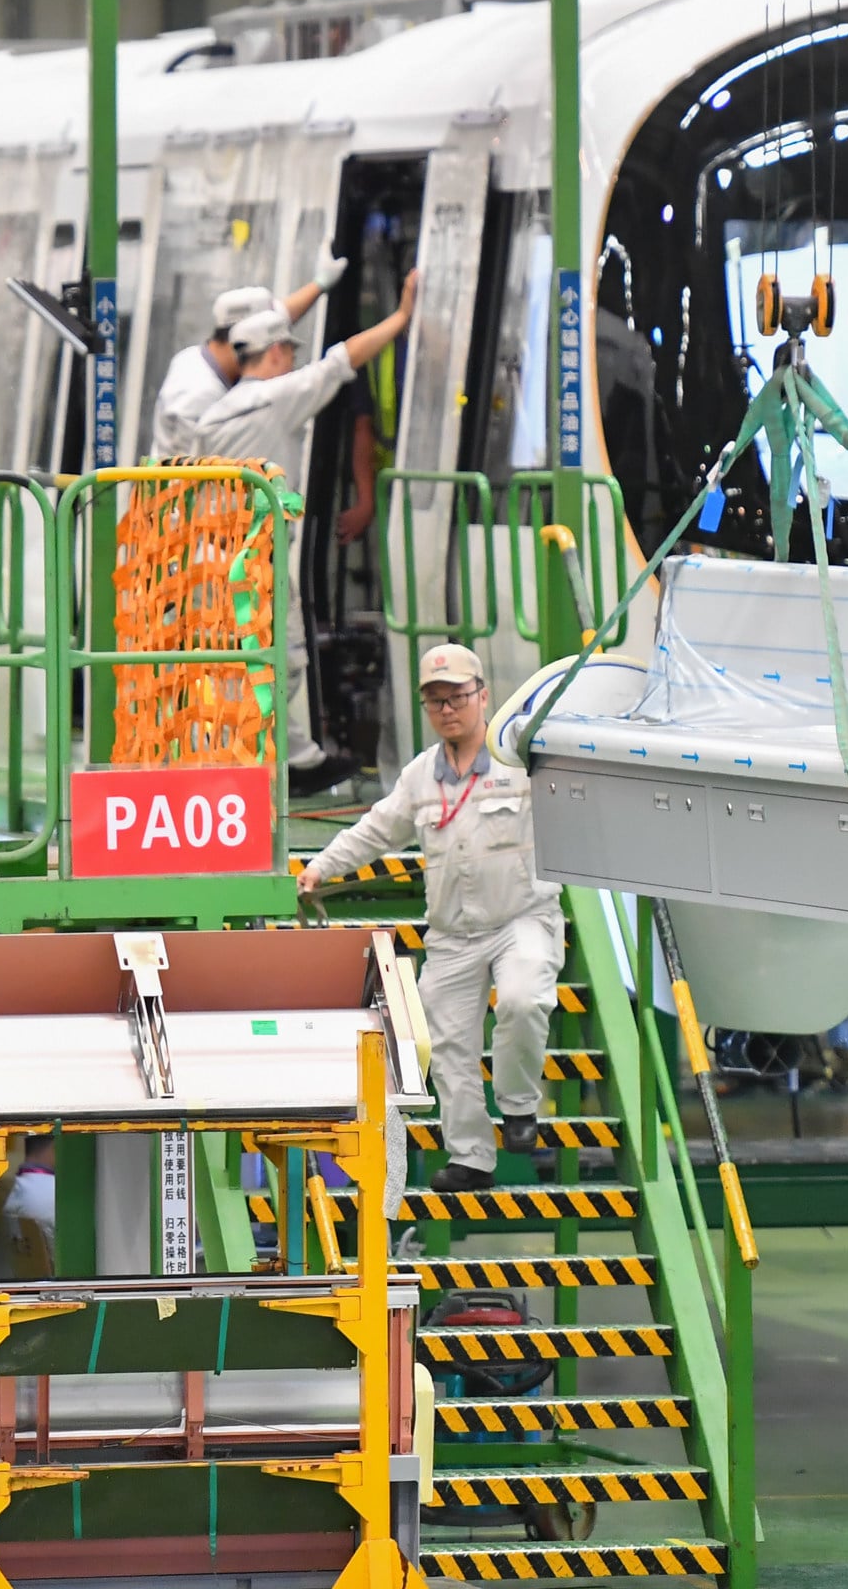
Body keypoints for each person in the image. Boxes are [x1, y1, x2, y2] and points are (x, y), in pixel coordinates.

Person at [296, 642, 558, 1193]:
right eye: (435, 700)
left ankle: (517, 1107)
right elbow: (374, 830)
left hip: (522, 919)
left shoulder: (524, 761)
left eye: (458, 696)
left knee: (523, 999)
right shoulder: (420, 777)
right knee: (446, 1045)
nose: (447, 709)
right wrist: (320, 868)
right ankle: (471, 1158)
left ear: (483, 696)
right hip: (454, 935)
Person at [187, 268, 418, 771]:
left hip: (213, 561)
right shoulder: (278, 399)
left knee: (240, 659)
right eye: (288, 352)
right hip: (257, 563)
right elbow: (341, 361)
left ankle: (286, 756)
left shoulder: (213, 416)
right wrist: (400, 317)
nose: (292, 360)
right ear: (273, 354)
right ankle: (266, 760)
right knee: (283, 661)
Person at [150, 264, 343, 459]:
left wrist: (319, 285)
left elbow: (282, 317)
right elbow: (191, 478)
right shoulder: (197, 396)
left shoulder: (192, 356)